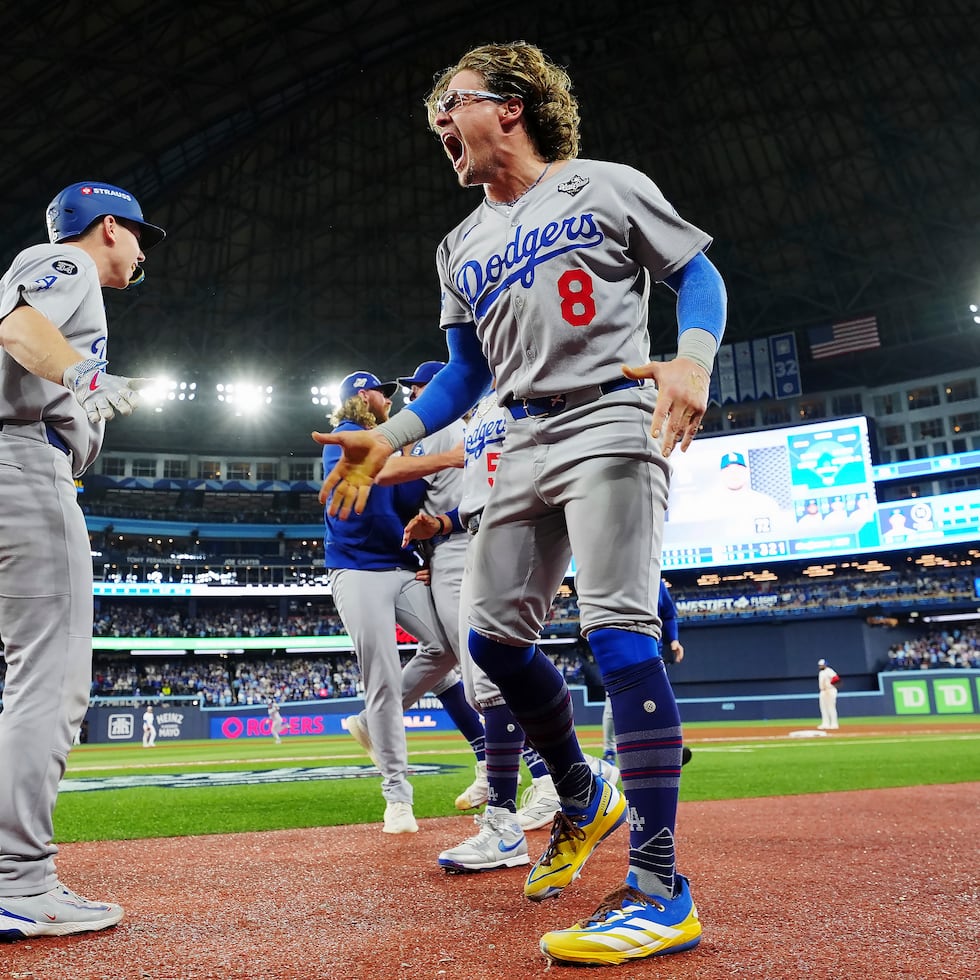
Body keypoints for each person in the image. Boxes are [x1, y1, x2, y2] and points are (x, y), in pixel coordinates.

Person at [314, 40, 726, 966]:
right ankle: (581, 791)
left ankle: (660, 888)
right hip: (523, 434)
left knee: (619, 631)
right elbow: (466, 371)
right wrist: (394, 435)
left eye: (448, 106)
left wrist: (691, 357)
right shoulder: (458, 244)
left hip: (613, 415)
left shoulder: (605, 184)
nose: (437, 126)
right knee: (493, 643)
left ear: (508, 105)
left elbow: (698, 272)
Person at [0, 180, 165, 939]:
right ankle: (20, 882)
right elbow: (19, 329)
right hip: (23, 465)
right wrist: (84, 375)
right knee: (51, 680)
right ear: (107, 227)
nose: (141, 251)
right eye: (138, 235)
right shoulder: (63, 264)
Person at [401, 389, 618, 872]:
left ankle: (519, 813)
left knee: (497, 669)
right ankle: (572, 779)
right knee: (483, 685)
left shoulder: (524, 389)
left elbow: (535, 472)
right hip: (476, 533)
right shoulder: (479, 409)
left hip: (517, 529)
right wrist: (440, 523)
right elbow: (480, 491)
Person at [321, 370, 463, 835]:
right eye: (383, 393)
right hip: (356, 569)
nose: (390, 399)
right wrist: (451, 457)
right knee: (380, 673)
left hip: (399, 568)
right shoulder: (345, 437)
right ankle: (397, 795)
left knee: (446, 648)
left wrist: (427, 553)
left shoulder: (400, 446)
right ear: (365, 396)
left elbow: (410, 504)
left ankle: (366, 720)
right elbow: (380, 472)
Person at [345, 360, 490, 812]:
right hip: (433, 553)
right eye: (404, 391)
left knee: (476, 662)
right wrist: (424, 551)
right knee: (459, 661)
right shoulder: (423, 436)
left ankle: (545, 773)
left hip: (466, 545)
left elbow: (401, 485)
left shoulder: (447, 431)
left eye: (418, 388)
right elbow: (401, 495)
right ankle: (497, 768)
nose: (409, 396)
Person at [601, 580, 691, 767]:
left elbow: (668, 614)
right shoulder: (615, 576)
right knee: (614, 703)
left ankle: (669, 749)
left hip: (652, 653)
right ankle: (609, 752)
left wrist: (673, 640)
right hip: (620, 650)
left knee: (661, 701)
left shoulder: (656, 582)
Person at [817, 658, 840, 730]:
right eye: (819, 665)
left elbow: (836, 678)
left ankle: (834, 724)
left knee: (831, 707)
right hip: (823, 691)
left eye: (822, 665)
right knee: (823, 708)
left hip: (830, 690)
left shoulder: (829, 671)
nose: (820, 666)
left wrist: (831, 685)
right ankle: (825, 723)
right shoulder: (821, 673)